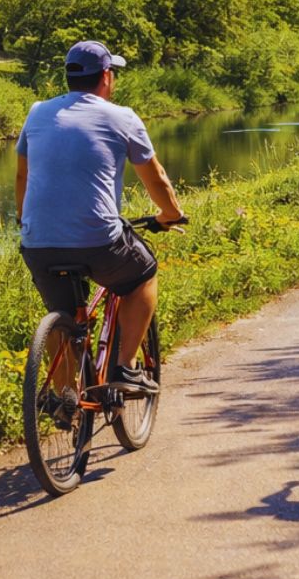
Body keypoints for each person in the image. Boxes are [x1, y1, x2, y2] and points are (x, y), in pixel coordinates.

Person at [16, 41, 186, 394]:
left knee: (61, 313)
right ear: (106, 76)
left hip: (38, 243)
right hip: (98, 242)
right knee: (143, 274)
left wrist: (26, 222)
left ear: (69, 77)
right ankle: (124, 368)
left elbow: (22, 176)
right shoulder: (121, 116)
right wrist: (170, 214)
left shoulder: (37, 112)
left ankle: (63, 396)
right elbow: (155, 177)